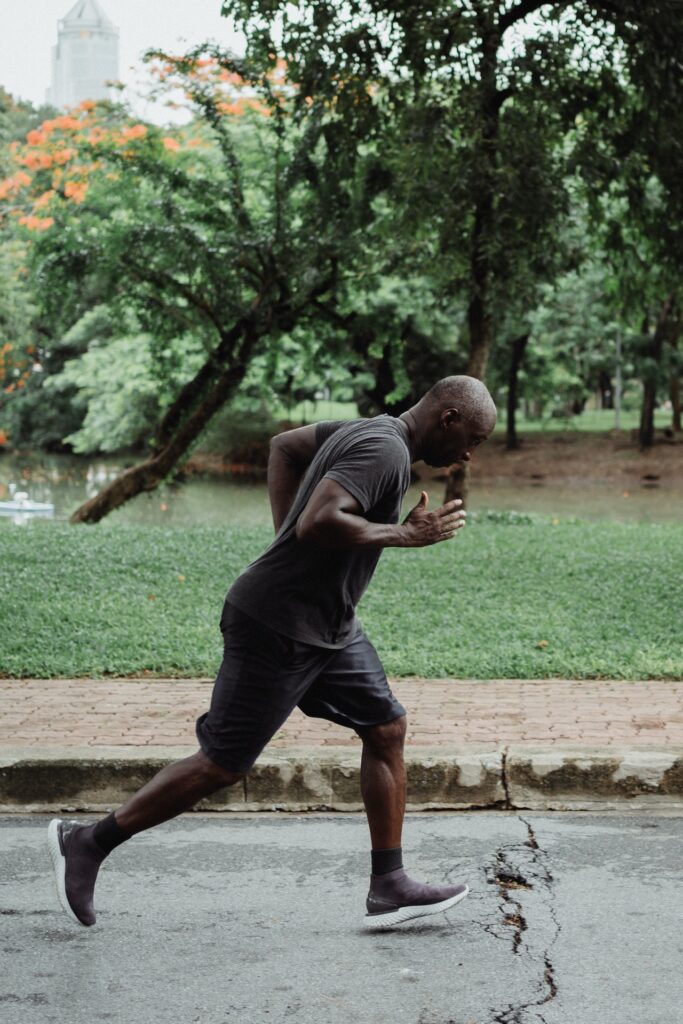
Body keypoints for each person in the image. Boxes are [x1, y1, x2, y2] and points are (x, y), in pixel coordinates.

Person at [48, 374, 497, 930]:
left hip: (330, 626)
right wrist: (404, 536)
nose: (470, 456)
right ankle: (88, 842)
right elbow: (320, 522)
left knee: (386, 729)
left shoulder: (368, 431)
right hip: (277, 624)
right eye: (471, 439)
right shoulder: (386, 451)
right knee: (220, 765)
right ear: (447, 418)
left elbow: (283, 446)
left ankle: (389, 884)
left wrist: (282, 533)